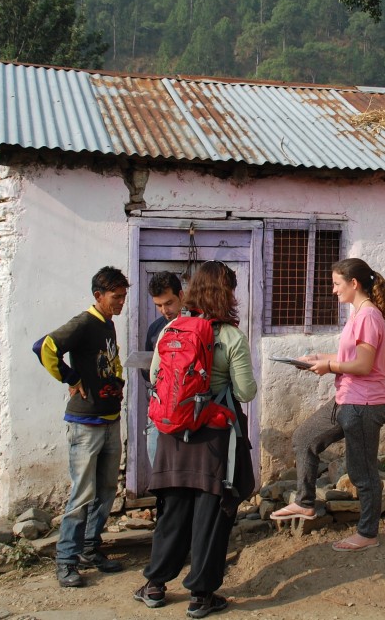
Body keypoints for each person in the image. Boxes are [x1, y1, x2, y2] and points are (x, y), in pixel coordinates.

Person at [134, 260, 257, 616]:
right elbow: (246, 392)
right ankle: (200, 596)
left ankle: (155, 585)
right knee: (210, 513)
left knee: (173, 511)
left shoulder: (172, 328)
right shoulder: (231, 336)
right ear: (227, 293)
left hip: (174, 436)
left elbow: (156, 377)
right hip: (214, 438)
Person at [269, 258, 385, 553]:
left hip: (364, 403)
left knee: (362, 471)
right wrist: (319, 358)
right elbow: (352, 356)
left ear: (354, 284)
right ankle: (305, 503)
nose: (334, 290)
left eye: (337, 284)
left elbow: (363, 365)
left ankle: (367, 533)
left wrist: (330, 366)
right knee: (305, 438)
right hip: (347, 399)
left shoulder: (368, 317)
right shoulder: (358, 314)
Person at [33, 266, 130, 588]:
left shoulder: (107, 325)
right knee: (82, 495)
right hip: (85, 423)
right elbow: (44, 346)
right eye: (116, 297)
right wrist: (71, 378)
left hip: (109, 420)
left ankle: (91, 549)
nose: (121, 302)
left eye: (123, 296)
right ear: (98, 296)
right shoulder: (84, 323)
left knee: (105, 491)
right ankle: (66, 560)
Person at [142, 271, 185, 466]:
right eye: (158, 305)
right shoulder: (155, 329)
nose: (164, 310)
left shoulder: (197, 325)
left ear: (181, 296)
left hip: (188, 410)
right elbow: (147, 373)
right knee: (158, 468)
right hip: (160, 408)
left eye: (168, 303)